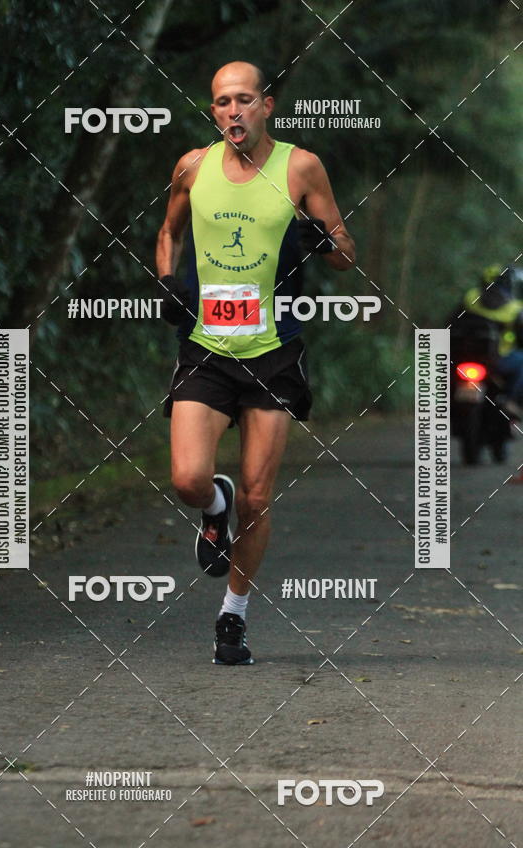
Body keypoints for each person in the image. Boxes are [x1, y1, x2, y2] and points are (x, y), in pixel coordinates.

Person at [155, 61, 355, 665]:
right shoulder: (193, 167)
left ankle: (233, 616)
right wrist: (166, 281)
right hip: (207, 349)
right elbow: (169, 232)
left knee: (259, 496)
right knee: (188, 479)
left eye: (243, 99)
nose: (232, 111)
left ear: (267, 105)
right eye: (222, 102)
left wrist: (325, 242)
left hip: (273, 354)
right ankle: (212, 507)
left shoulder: (300, 167)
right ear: (213, 111)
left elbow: (347, 251)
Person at [449, 265, 523, 409]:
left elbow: (450, 322)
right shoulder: (514, 309)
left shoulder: (470, 298)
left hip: (462, 356)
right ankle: (510, 401)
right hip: (496, 361)